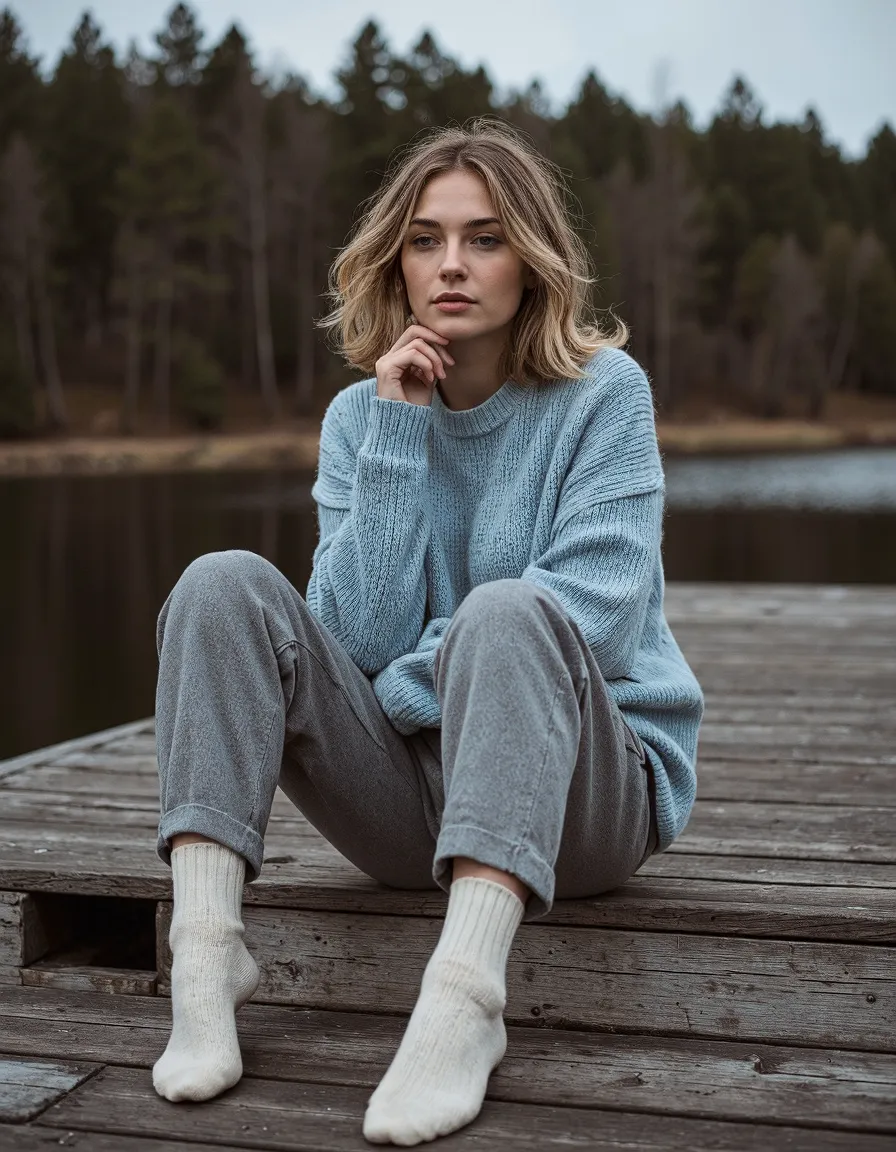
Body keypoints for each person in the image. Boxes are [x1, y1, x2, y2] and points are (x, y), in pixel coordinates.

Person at [151, 116, 704, 1145]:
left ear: (530, 260)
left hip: (586, 803)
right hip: (408, 807)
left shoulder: (604, 396)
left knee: (511, 612)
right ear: (394, 262)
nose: (451, 263)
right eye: (424, 239)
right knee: (220, 586)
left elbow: (593, 623)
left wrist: (418, 679)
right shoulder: (360, 416)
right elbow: (349, 638)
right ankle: (207, 950)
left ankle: (465, 999)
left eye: (484, 238)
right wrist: (399, 429)